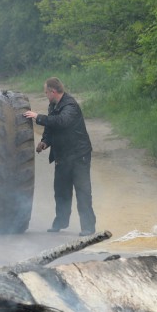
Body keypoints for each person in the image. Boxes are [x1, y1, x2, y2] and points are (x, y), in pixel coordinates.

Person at [24, 77, 96, 236]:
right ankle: (61, 222)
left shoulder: (70, 105)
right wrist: (44, 141)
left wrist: (38, 117)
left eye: (46, 93)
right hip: (63, 155)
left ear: (53, 91)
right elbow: (51, 127)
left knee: (83, 191)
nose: (45, 95)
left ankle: (88, 227)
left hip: (79, 155)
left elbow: (62, 122)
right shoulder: (53, 105)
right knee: (61, 191)